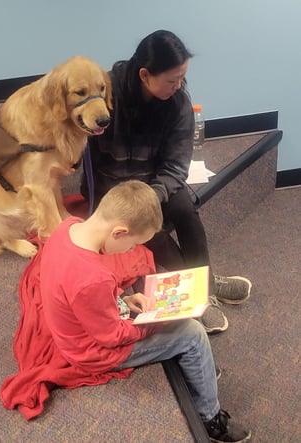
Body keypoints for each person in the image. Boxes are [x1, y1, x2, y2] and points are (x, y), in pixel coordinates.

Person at [40, 180, 251, 443]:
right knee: (193, 334)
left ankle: (201, 368)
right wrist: (158, 321)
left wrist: (124, 301)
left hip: (87, 325)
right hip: (95, 352)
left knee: (179, 325)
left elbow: (80, 292)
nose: (129, 251)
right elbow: (111, 337)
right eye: (132, 245)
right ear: (118, 232)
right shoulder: (93, 278)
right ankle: (211, 419)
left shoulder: (67, 227)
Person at [81, 30, 252, 334]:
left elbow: (175, 166)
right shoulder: (106, 93)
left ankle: (205, 287)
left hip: (155, 181)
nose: (178, 86)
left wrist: (152, 195)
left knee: (185, 210)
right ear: (145, 75)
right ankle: (201, 294)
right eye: (172, 80)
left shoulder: (177, 105)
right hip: (113, 189)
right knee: (155, 233)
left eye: (182, 78)